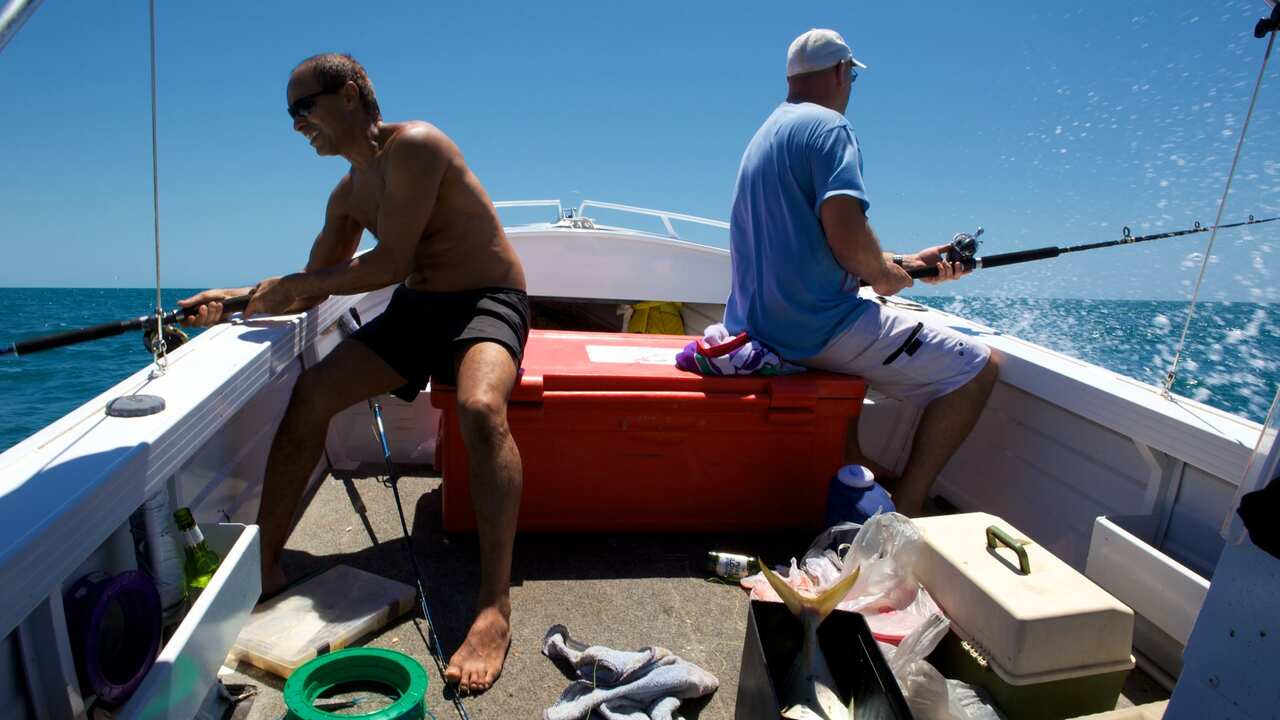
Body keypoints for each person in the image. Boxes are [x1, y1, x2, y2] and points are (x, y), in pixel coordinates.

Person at [180, 53, 525, 695]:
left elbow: (389, 261)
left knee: (481, 409)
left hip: (486, 298)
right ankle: (269, 561)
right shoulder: (346, 195)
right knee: (312, 394)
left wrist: (291, 286)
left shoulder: (417, 145)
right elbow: (313, 287)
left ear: (347, 95)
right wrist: (233, 299)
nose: (295, 125)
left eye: (301, 108)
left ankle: (493, 606)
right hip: (419, 308)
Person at [724, 29, 1000, 516]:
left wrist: (907, 262)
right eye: (851, 76)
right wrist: (886, 276)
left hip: (757, 323)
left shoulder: (765, 135)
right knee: (976, 368)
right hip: (813, 328)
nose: (849, 85)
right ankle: (911, 506)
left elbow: (816, 242)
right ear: (838, 72)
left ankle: (858, 470)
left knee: (860, 347)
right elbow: (848, 235)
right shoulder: (831, 129)